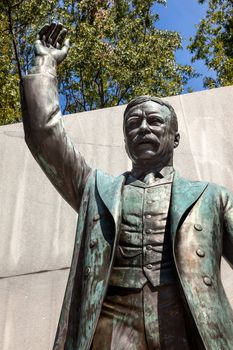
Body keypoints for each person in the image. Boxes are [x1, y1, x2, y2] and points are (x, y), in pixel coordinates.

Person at [21, 23, 233, 350]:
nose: (143, 128)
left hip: (186, 315)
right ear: (125, 141)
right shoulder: (96, 189)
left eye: (154, 122)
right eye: (134, 123)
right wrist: (44, 64)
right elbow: (44, 136)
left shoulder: (213, 197)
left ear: (174, 137)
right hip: (112, 318)